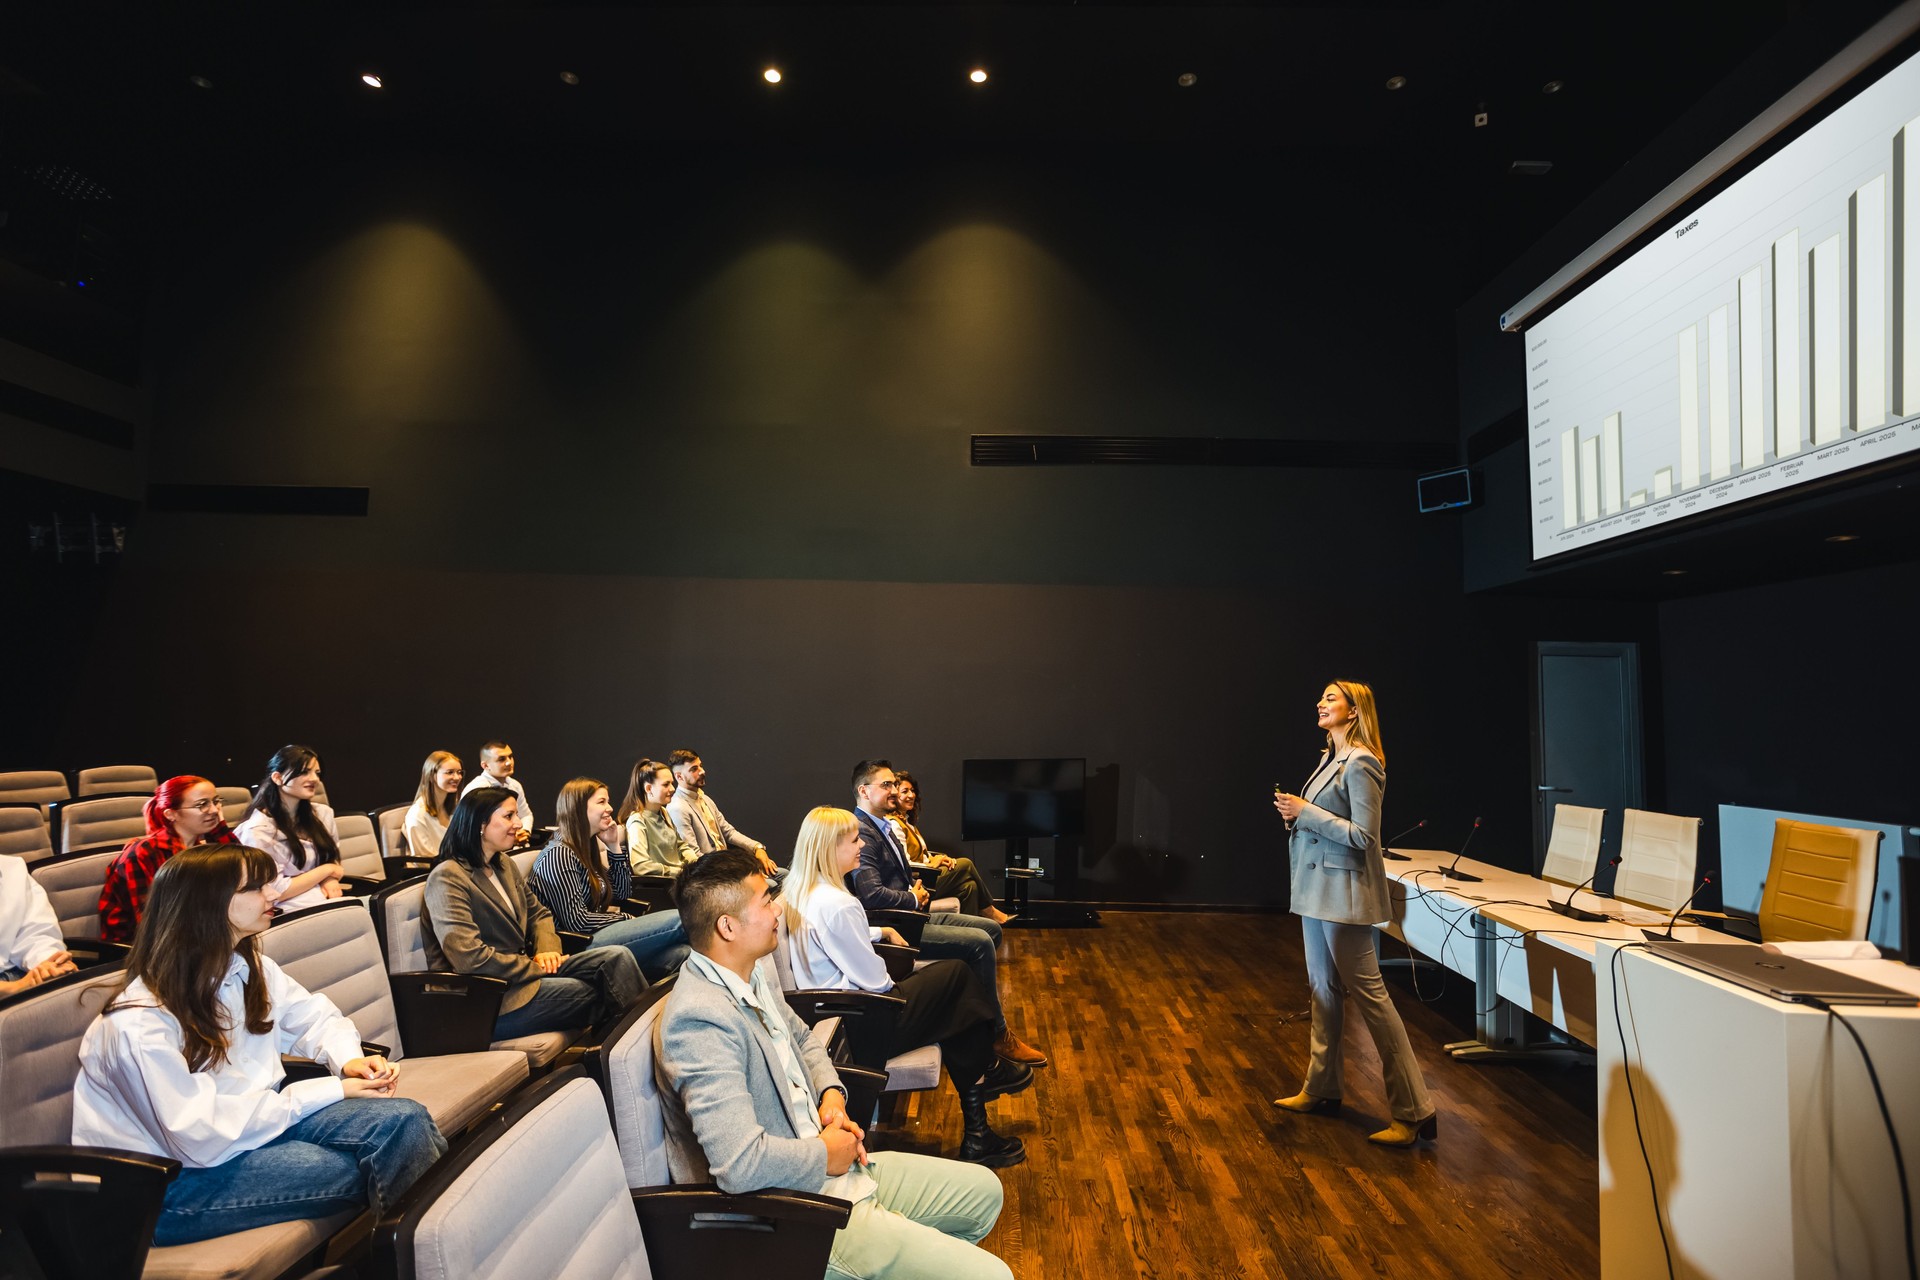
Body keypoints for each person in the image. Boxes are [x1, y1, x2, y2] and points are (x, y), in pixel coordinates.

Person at [655, 849, 1015, 1280]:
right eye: (766, 901)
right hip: (793, 1214)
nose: (777, 910)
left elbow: (804, 1040)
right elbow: (740, 1165)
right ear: (727, 926)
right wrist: (827, 1153)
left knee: (984, 1194)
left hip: (833, 1170)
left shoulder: (748, 971)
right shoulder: (698, 1020)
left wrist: (831, 1097)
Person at [72, 843, 445, 1245]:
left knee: (405, 1124)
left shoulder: (247, 965)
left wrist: (349, 1060)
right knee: (371, 1160)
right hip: (167, 1186)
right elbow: (199, 1136)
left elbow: (315, 1017)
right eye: (256, 887)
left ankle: (422, 1260)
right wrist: (333, 1089)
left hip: (249, 1129)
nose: (273, 894)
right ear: (206, 904)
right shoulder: (139, 1021)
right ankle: (419, 1260)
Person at [785, 807, 1027, 1166]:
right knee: (958, 976)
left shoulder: (801, 890)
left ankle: (981, 1122)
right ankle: (983, 1098)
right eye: (854, 840)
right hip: (863, 1022)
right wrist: (892, 969)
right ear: (829, 848)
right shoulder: (839, 904)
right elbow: (877, 982)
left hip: (836, 1017)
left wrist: (879, 931)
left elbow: (834, 937)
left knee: (957, 998)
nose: (862, 844)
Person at [1272, 679, 1436, 1147]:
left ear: (1355, 709)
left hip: (1344, 895)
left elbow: (1366, 837)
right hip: (1315, 890)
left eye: (1331, 697)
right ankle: (1322, 1089)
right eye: (1320, 697)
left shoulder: (1363, 761)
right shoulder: (1329, 758)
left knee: (1372, 999)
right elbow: (1325, 823)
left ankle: (1415, 1109)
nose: (1320, 703)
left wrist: (1306, 812)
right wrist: (1296, 814)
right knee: (1322, 990)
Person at [847, 759, 1047, 1068]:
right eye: (885, 785)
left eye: (893, 784)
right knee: (979, 943)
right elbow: (871, 895)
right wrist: (912, 898)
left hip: (912, 913)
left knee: (990, 931)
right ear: (864, 790)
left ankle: (972, 1016)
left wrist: (913, 885)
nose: (894, 791)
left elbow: (894, 875)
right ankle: (996, 1033)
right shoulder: (862, 832)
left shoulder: (881, 825)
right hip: (898, 926)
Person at [422, 786, 643, 1040]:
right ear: (480, 824)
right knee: (599, 991)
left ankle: (635, 1052)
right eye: (508, 816)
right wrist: (532, 965)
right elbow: (469, 958)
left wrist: (547, 949)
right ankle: (632, 1057)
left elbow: (539, 915)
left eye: (516, 815)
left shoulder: (503, 864)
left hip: (524, 973)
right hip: (489, 999)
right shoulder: (448, 877)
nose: (518, 823)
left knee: (617, 957)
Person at [530, 777, 692, 982]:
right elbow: (577, 923)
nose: (610, 808)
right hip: (577, 945)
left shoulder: (585, 847)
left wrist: (614, 847)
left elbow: (622, 893)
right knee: (683, 920)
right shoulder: (559, 854)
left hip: (597, 934)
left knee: (682, 953)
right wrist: (624, 918)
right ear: (579, 808)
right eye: (601, 802)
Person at [98, 775, 240, 945]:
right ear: (171, 814)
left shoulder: (201, 847)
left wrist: (219, 829)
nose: (214, 810)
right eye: (202, 804)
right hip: (148, 949)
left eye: (216, 801)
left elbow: (243, 868)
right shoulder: (143, 854)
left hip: (199, 935)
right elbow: (153, 924)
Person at [232, 745, 346, 914]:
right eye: (304, 772)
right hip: (283, 910)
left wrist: (329, 879)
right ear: (278, 778)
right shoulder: (257, 830)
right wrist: (327, 871)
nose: (314, 779)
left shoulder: (323, 814)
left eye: (317, 772)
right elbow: (277, 891)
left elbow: (332, 857)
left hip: (323, 900)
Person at [889, 770, 1010, 924]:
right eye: (905, 791)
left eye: (912, 791)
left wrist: (938, 858)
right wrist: (934, 863)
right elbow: (906, 865)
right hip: (918, 883)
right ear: (893, 795)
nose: (911, 795)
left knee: (970, 887)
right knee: (966, 864)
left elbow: (922, 855)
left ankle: (970, 936)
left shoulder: (906, 822)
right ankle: (990, 911)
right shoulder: (894, 824)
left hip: (928, 873)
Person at [666, 749, 778, 875]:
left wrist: (757, 847)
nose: (702, 771)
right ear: (679, 776)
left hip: (727, 867)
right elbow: (694, 856)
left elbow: (728, 832)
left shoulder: (705, 799)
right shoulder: (677, 808)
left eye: (701, 766)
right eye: (694, 769)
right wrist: (735, 871)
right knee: (777, 882)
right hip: (714, 875)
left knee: (782, 875)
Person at [2, 852, 75, 996]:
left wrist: (50, 964)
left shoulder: (12, 868)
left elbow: (35, 933)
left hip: (22, 975)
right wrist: (18, 986)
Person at [619, 759, 700, 876]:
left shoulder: (663, 812)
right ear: (648, 789)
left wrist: (696, 863)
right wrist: (677, 872)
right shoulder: (637, 821)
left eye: (672, 783)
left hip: (680, 879)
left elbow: (680, 845)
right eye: (666, 784)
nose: (672, 789)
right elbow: (640, 866)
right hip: (665, 885)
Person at [460, 741, 532, 842]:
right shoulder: (476, 789)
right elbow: (468, 827)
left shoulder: (515, 785)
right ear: (485, 766)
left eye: (510, 757)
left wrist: (524, 831)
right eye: (501, 759)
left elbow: (525, 815)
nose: (509, 762)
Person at [403, 750, 463, 860]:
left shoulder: (454, 808)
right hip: (435, 874)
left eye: (459, 772)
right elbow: (424, 860)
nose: (457, 777)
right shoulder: (417, 815)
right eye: (450, 772)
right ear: (431, 775)